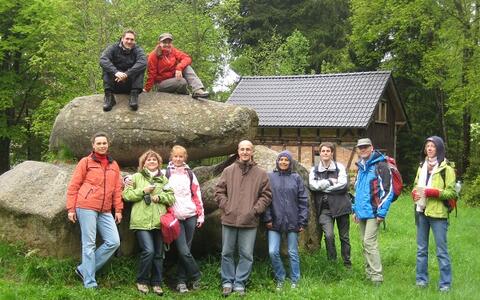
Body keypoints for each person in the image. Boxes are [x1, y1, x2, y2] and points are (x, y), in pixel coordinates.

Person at [215, 140, 272, 297]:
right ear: (238, 151)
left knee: (246, 254)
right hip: (229, 219)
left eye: (248, 149)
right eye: (242, 149)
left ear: (252, 151)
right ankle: (227, 282)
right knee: (226, 252)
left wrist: (254, 211)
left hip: (250, 221)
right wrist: (227, 207)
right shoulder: (228, 170)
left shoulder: (261, 174)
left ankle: (240, 283)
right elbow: (219, 191)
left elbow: (266, 195)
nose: (245, 152)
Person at [66, 132, 123, 289]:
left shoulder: (114, 165)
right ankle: (90, 283)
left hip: (105, 210)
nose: (102, 145)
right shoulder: (86, 162)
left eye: (104, 143)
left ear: (108, 145)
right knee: (89, 244)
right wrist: (71, 208)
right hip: (86, 206)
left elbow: (117, 189)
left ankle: (84, 269)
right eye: (99, 143)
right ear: (93, 145)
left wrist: (118, 209)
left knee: (114, 241)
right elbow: (74, 186)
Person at [122, 150, 175, 295]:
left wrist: (160, 197)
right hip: (141, 222)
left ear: (159, 163)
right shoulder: (136, 177)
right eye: (148, 160)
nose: (151, 162)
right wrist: (143, 191)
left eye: (154, 160)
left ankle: (157, 283)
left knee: (158, 253)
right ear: (143, 163)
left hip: (159, 222)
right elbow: (126, 195)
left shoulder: (163, 179)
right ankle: (142, 280)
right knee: (149, 251)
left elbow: (171, 197)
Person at [412, 136, 455, 292]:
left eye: (433, 146)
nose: (429, 149)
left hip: (438, 215)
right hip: (421, 211)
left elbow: (452, 193)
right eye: (427, 146)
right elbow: (416, 186)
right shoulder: (421, 166)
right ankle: (421, 281)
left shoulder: (447, 169)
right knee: (421, 249)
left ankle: (445, 284)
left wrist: (433, 192)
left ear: (439, 148)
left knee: (441, 251)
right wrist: (414, 194)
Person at [263, 151, 308, 290]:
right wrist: (268, 218)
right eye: (281, 159)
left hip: (293, 221)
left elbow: (303, 200)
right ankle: (281, 277)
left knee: (293, 252)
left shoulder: (296, 178)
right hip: (274, 221)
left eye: (286, 160)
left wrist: (302, 221)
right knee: (272, 252)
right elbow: (266, 199)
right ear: (277, 162)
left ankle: (295, 279)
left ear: (290, 162)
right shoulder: (270, 177)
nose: (283, 162)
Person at [352, 138, 394, 285]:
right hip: (362, 212)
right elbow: (357, 190)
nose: (363, 149)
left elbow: (388, 191)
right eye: (360, 147)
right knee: (364, 243)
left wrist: (382, 212)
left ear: (372, 148)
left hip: (374, 212)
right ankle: (369, 273)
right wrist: (354, 210)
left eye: (365, 147)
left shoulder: (380, 165)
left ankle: (377, 277)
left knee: (369, 243)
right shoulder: (361, 167)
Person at [164, 145, 204, 293]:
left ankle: (181, 281)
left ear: (185, 158)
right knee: (183, 250)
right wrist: (128, 178)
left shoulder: (190, 174)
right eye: (176, 156)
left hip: (191, 215)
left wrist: (201, 214)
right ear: (171, 157)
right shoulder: (165, 173)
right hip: (175, 216)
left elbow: (197, 194)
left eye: (181, 156)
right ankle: (196, 275)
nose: (178, 159)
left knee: (186, 249)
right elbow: (148, 177)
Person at [309, 142, 352, 267]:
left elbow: (343, 184)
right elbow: (312, 185)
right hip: (324, 209)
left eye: (328, 151)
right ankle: (332, 262)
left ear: (332, 153)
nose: (325, 153)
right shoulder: (314, 170)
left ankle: (347, 262)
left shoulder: (340, 167)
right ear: (320, 153)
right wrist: (330, 181)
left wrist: (323, 187)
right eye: (323, 151)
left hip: (341, 206)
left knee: (344, 237)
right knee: (329, 235)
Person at [143, 33, 209, 98]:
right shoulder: (153, 55)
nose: (167, 44)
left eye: (169, 42)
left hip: (174, 78)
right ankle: (186, 94)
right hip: (162, 84)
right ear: (159, 43)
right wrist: (147, 89)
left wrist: (179, 67)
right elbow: (151, 74)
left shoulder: (173, 50)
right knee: (181, 81)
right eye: (164, 42)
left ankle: (198, 90)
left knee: (186, 67)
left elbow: (187, 58)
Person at [100, 29, 147, 112]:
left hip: (131, 85)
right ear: (122, 38)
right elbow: (103, 59)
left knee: (140, 67)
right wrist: (116, 72)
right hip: (115, 83)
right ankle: (109, 98)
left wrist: (127, 74)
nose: (129, 41)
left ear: (134, 40)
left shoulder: (138, 50)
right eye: (127, 39)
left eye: (132, 39)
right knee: (106, 68)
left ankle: (133, 97)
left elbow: (143, 62)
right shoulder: (113, 48)